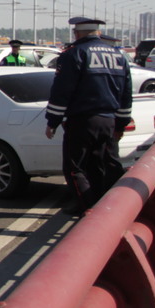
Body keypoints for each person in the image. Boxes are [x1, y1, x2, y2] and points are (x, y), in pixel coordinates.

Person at [45, 16, 132, 214]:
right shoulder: (119, 56)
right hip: (109, 121)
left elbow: (61, 91)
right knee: (102, 166)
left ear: (78, 33)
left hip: (82, 120)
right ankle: (115, 208)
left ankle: (88, 211)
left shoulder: (74, 54)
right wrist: (121, 124)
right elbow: (126, 93)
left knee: (74, 168)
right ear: (98, 33)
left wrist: (53, 121)